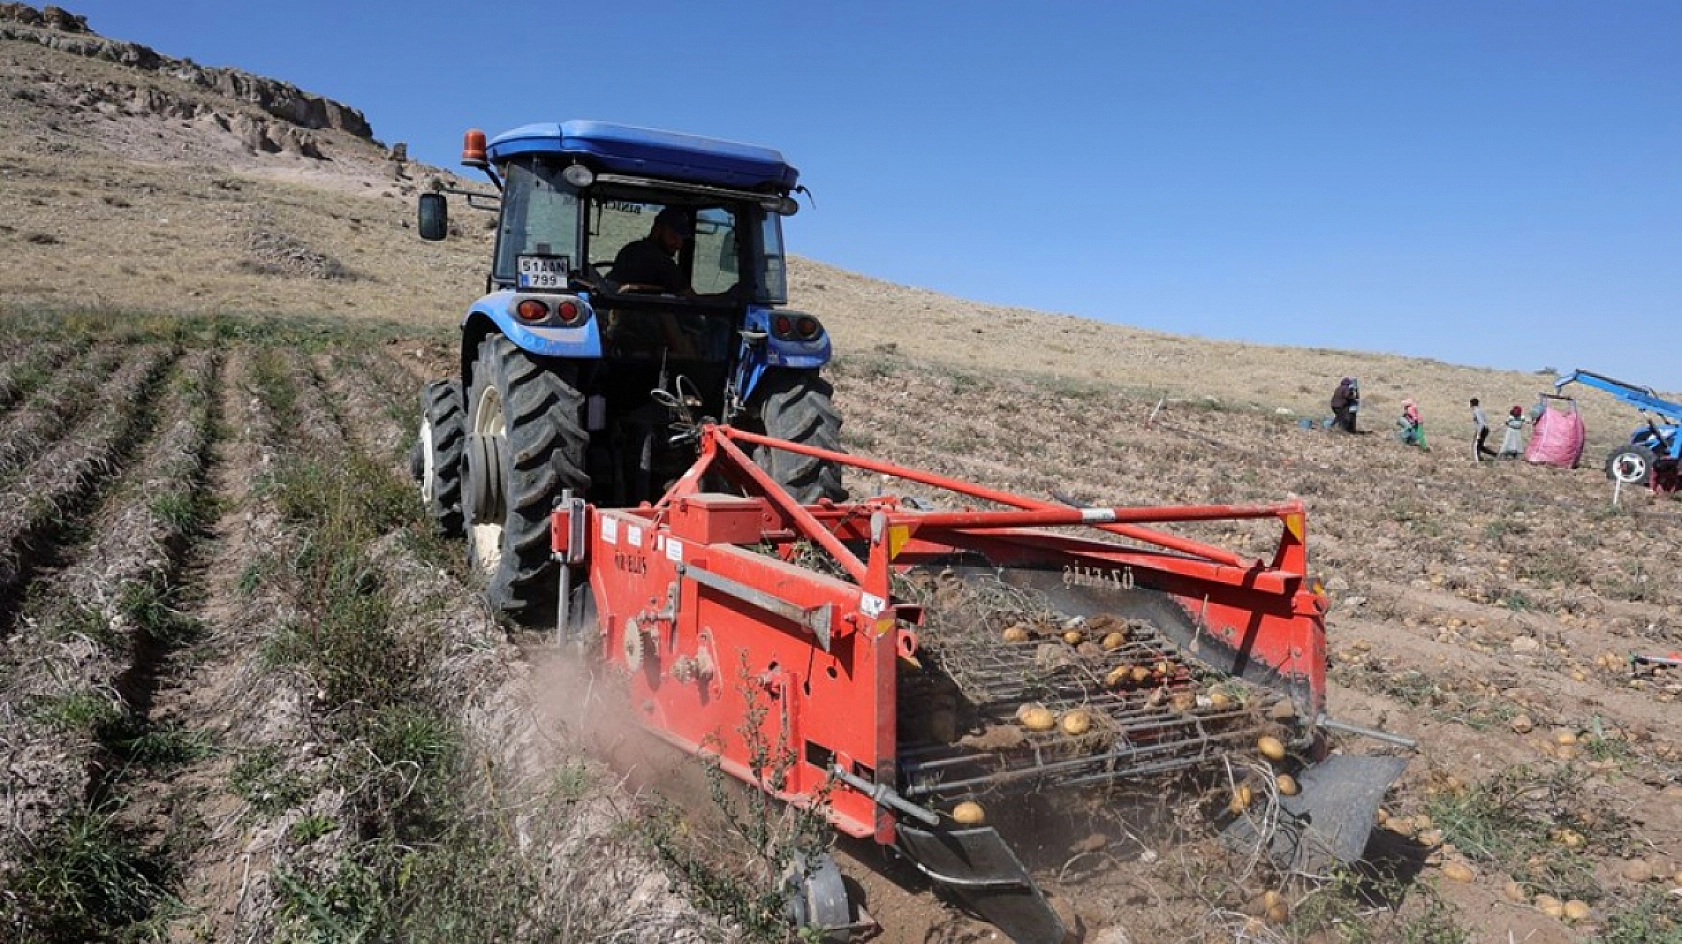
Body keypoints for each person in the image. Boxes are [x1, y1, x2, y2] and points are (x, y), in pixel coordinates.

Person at [611, 207, 698, 295]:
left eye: (682, 240)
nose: (678, 245)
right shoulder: (662, 262)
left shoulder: (629, 250)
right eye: (673, 236)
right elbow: (691, 299)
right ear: (657, 229)